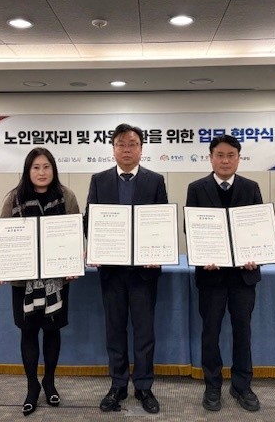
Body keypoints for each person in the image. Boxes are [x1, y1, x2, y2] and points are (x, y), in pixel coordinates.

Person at [85, 123, 168, 414]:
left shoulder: (155, 180)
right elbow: (90, 220)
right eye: (121, 144)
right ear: (113, 149)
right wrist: (94, 247)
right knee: (115, 330)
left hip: (144, 272)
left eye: (133, 144)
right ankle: (118, 384)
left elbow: (161, 221)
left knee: (144, 332)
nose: (127, 149)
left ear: (141, 149)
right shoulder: (99, 180)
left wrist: (159, 251)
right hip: (112, 271)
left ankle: (143, 386)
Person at [0, 147, 80, 417]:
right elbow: (4, 238)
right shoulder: (14, 198)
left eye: (46, 167)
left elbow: (74, 235)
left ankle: (49, 382)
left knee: (52, 332)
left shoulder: (66, 196)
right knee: (28, 333)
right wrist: (0, 266)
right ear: (27, 171)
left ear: (53, 169)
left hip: (57, 280)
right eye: (36, 167)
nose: (42, 172)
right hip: (24, 282)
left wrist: (74, 263)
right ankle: (32, 386)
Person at [185, 134, 263, 413]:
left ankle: (242, 385)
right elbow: (190, 229)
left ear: (239, 159)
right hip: (212, 276)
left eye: (231, 155)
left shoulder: (251, 188)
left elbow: (257, 228)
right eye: (220, 155)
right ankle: (212, 385)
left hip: (243, 275)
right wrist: (202, 254)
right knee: (211, 332)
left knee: (243, 332)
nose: (226, 160)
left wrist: (256, 254)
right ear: (211, 158)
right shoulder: (196, 188)